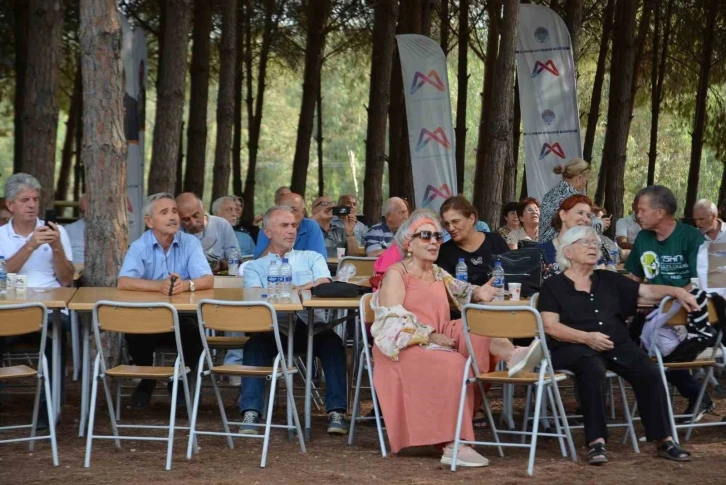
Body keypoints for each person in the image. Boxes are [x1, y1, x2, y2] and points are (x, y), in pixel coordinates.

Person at [373, 209, 543, 467]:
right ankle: (454, 443)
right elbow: (390, 322)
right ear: (409, 242)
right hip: (404, 346)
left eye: (438, 237)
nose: (434, 242)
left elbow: (464, 291)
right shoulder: (397, 274)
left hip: (438, 337)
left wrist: (480, 292)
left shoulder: (438, 272)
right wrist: (429, 335)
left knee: (477, 329)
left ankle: (515, 356)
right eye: (426, 236)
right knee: (455, 363)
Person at [539, 225, 694, 465]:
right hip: (573, 346)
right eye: (586, 242)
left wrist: (676, 291)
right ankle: (596, 442)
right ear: (568, 252)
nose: (594, 246)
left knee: (649, 371)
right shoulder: (553, 286)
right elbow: (550, 326)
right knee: (592, 368)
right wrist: (587, 337)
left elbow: (648, 290)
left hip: (616, 343)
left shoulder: (609, 279)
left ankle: (664, 439)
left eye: (595, 243)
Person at [239, 205, 349, 435]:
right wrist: (300, 290)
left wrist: (289, 289)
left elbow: (324, 283)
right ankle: (251, 411)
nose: (291, 231)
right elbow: (256, 296)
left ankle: (336, 411)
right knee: (254, 346)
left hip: (311, 326)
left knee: (334, 344)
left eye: (294, 226)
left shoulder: (311, 257)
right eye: (284, 226)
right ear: (268, 232)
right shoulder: (255, 267)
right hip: (275, 328)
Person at [625, 185, 714, 421]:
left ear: (660, 212)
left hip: (685, 313)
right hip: (651, 311)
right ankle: (693, 397)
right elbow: (634, 278)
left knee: (653, 349)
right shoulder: (644, 238)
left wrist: (665, 299)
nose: (638, 215)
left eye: (642, 210)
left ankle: (691, 398)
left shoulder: (691, 237)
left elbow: (698, 282)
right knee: (630, 345)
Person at [117, 192, 213, 409]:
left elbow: (207, 279)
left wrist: (186, 285)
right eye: (164, 212)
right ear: (149, 222)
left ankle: (181, 381)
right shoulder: (140, 246)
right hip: (148, 318)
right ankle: (147, 379)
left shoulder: (189, 243)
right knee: (132, 332)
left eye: (174, 211)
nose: (172, 217)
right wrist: (158, 286)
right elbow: (124, 282)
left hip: (180, 318)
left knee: (194, 333)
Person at [0, 174, 75, 427]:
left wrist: (57, 248)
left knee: (57, 334)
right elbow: (2, 275)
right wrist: (30, 246)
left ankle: (49, 408)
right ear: (10, 205)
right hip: (10, 310)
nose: (32, 205)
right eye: (25, 200)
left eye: (35, 199)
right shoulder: (1, 235)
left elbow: (66, 280)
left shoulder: (57, 232)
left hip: (48, 311)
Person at [436, 196, 509, 286]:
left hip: (500, 298)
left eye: (455, 221)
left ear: (471, 219)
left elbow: (512, 274)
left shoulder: (495, 241)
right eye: (447, 224)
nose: (450, 228)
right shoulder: (444, 251)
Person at [539, 158, 601, 243]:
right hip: (563, 249)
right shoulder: (576, 199)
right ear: (578, 179)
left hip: (544, 248)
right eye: (585, 181)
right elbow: (591, 224)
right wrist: (602, 223)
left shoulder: (548, 195)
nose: (585, 184)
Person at [176, 193, 240, 272]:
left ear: (203, 208)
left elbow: (237, 259)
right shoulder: (176, 232)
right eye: (186, 220)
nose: (193, 223)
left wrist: (220, 265)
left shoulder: (221, 225)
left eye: (196, 215)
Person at [253, 192, 327, 259]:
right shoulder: (268, 229)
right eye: (283, 210)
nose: (288, 215)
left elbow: (320, 262)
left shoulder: (311, 227)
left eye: (293, 210)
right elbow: (257, 263)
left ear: (303, 213)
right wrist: (276, 241)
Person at [538, 195, 594, 276]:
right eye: (580, 213)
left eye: (588, 216)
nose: (585, 219)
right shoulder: (541, 252)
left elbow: (604, 285)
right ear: (563, 215)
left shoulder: (592, 251)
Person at [63, 194, 88, 264]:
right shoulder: (68, 230)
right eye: (83, 211)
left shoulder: (113, 229)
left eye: (90, 210)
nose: (86, 215)